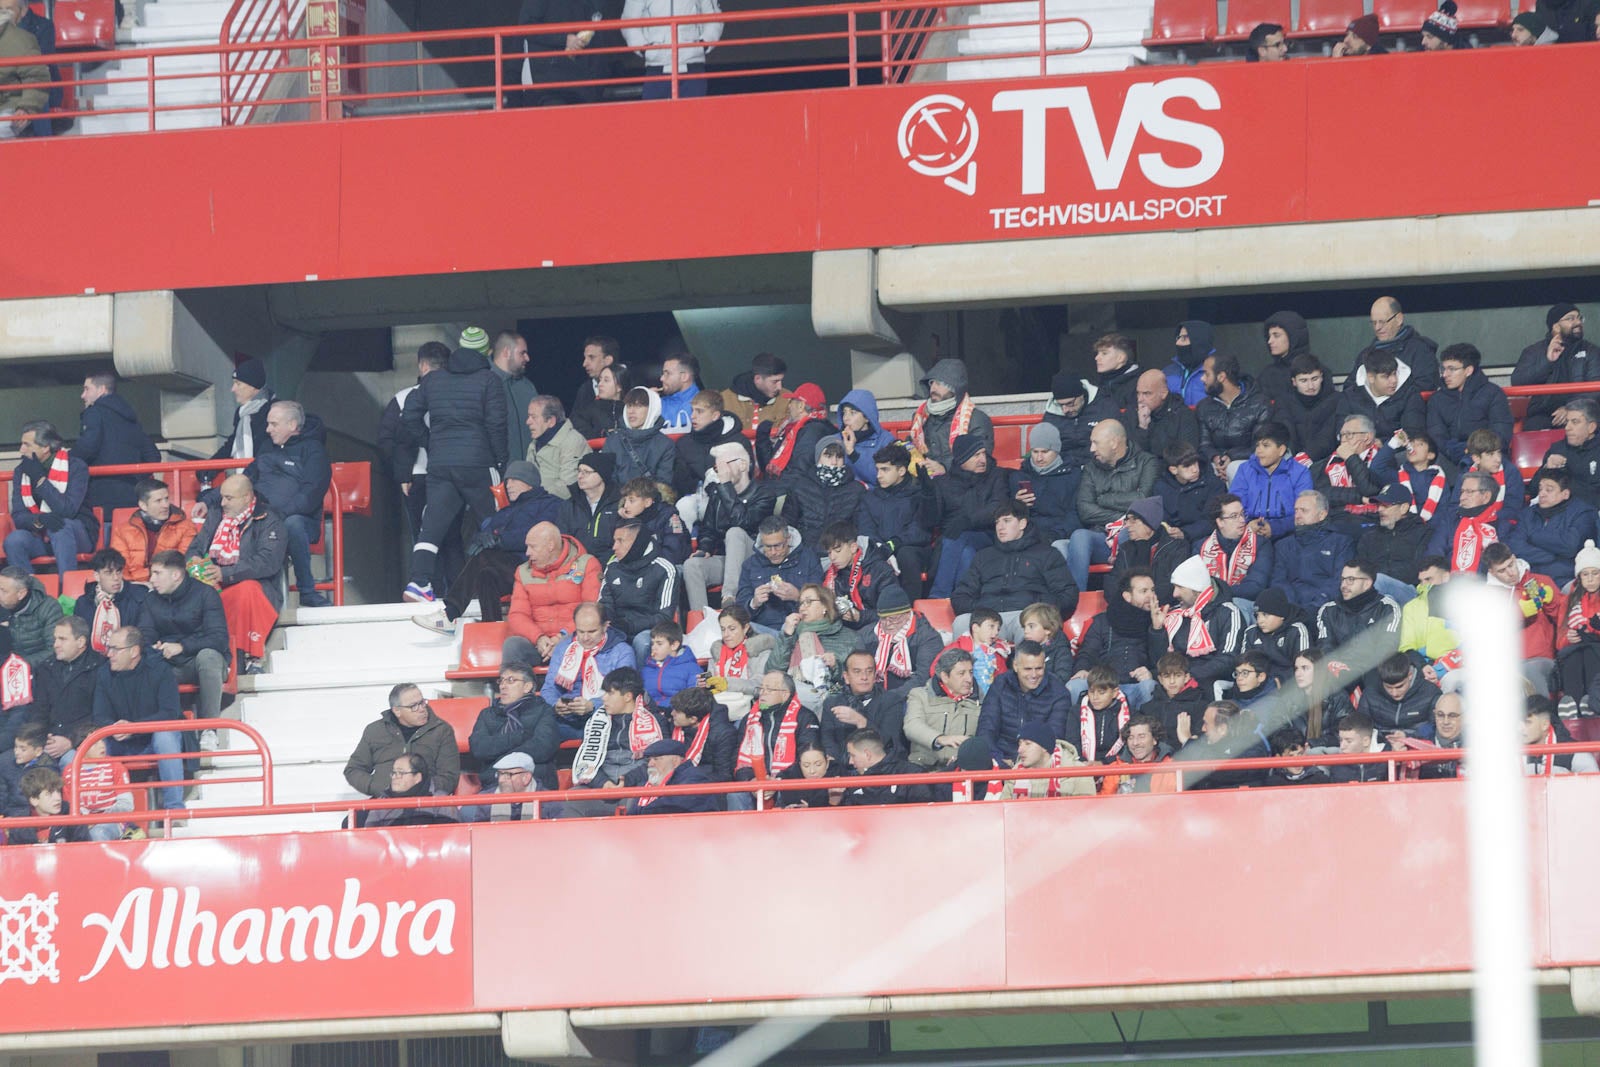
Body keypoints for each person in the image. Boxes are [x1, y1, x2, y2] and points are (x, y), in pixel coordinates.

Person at [399, 345, 508, 603]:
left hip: (441, 465)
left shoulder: (433, 380)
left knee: (433, 524)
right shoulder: (488, 380)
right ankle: (507, 583)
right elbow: (496, 423)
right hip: (479, 463)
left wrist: (430, 442)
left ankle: (419, 582)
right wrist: (501, 460)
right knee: (498, 521)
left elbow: (408, 415)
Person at [415, 463, 566, 635]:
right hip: (507, 569)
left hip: (535, 567)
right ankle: (491, 629)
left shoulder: (551, 504)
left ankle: (450, 614)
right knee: (486, 574)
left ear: (530, 482)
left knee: (485, 557)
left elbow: (537, 536)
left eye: (514, 480)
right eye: (507, 481)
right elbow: (486, 531)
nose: (508, 486)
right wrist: (482, 537)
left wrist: (499, 539)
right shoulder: (506, 511)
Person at [208, 400, 332, 608]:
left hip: (298, 521)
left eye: (273, 424)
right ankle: (217, 593)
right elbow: (244, 480)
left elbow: (310, 494)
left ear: (292, 425)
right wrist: (208, 499)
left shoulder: (313, 451)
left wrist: (279, 515)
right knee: (217, 518)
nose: (267, 429)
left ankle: (307, 591)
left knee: (291, 524)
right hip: (259, 518)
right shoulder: (266, 448)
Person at [186, 474, 288, 673]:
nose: (222, 503)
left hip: (257, 587)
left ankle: (251, 657)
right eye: (222, 497)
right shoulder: (216, 515)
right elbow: (194, 548)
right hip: (213, 583)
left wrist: (225, 573)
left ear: (247, 497)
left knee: (246, 591)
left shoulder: (270, 520)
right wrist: (194, 561)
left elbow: (267, 563)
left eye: (229, 498)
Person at [952, 502, 1078, 641]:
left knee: (1031, 625)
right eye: (997, 522)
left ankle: (1026, 662)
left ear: (1022, 523)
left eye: (1007, 521)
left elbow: (1067, 595)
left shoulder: (1047, 554)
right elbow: (961, 596)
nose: (1000, 527)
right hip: (989, 618)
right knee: (962, 622)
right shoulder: (983, 556)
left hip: (1025, 615)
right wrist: (981, 609)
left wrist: (1037, 607)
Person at [92, 626, 185, 814]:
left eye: (115, 649)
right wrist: (114, 729)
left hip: (152, 740)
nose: (110, 654)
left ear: (134, 651)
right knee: (94, 745)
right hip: (120, 741)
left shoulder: (160, 670)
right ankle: (100, 812)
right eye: (109, 648)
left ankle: (175, 810)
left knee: (165, 736)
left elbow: (170, 712)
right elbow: (99, 715)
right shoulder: (104, 674)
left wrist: (135, 728)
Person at [141, 551, 230, 738]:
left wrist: (181, 646)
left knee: (209, 656)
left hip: (199, 661)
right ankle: (158, 733)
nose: (152, 579)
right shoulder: (150, 600)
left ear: (176, 575)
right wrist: (152, 647)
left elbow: (219, 638)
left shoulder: (206, 594)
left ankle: (209, 730)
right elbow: (145, 633)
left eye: (157, 573)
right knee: (145, 662)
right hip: (169, 663)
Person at [684, 443, 777, 616]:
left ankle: (729, 599)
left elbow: (743, 521)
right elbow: (708, 529)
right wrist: (704, 548)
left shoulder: (764, 493)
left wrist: (725, 485)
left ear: (743, 465)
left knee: (734, 533)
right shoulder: (719, 494)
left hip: (755, 556)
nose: (719, 471)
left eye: (723, 465)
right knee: (692, 566)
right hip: (728, 561)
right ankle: (702, 622)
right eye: (716, 467)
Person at [1065, 420, 1158, 591]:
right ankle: (1077, 601)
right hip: (1102, 536)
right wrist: (1123, 517)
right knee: (1079, 536)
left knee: (1127, 533)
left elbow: (1143, 500)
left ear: (1114, 443)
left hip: (1133, 537)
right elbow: (1085, 510)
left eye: (1096, 443)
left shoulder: (1146, 462)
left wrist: (1104, 499)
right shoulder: (1091, 468)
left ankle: (1125, 595)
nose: (1091, 449)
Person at [495, 523, 603, 667]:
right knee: (513, 645)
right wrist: (539, 638)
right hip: (539, 644)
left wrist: (563, 637)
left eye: (533, 547)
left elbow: (592, 609)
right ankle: (520, 688)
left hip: (576, 641)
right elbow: (517, 615)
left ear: (550, 546)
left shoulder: (587, 564)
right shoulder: (523, 572)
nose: (527, 553)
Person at [378, 342, 448, 548]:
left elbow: (386, 440)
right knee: (451, 539)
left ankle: (425, 580)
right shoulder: (456, 397)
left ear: (422, 365)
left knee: (421, 539)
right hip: (450, 476)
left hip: (415, 477)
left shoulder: (403, 397)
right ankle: (453, 581)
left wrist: (402, 472)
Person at [6, 420, 97, 575]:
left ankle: (67, 593)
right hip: (40, 535)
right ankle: (29, 593)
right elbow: (19, 516)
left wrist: (40, 480)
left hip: (77, 535)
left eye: (27, 445)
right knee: (14, 540)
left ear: (45, 447)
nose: (21, 450)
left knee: (61, 527)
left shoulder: (75, 466)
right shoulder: (21, 471)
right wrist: (40, 520)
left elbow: (67, 510)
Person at [343, 683, 462, 801]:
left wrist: (420, 790)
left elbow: (449, 776)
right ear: (397, 711)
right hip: (384, 801)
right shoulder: (375, 731)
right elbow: (353, 770)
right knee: (350, 820)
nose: (421, 709)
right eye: (413, 706)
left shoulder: (441, 730)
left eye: (422, 702)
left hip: (425, 801)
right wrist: (382, 789)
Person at [928, 433, 1013, 598]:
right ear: (961, 459)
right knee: (966, 553)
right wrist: (927, 495)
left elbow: (998, 506)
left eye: (983, 454)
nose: (983, 459)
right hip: (951, 544)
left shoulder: (996, 476)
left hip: (988, 535)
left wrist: (967, 521)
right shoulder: (943, 483)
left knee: (957, 537)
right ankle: (964, 599)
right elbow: (931, 520)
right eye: (976, 455)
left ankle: (938, 596)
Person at [1150, 556, 1246, 695]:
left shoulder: (1228, 612)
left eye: (1180, 587)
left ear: (1196, 590)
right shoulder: (1175, 615)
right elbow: (1160, 661)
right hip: (1175, 682)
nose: (1174, 593)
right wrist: (1157, 630)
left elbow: (1229, 658)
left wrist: (1188, 676)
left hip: (1207, 684)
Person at [540, 602, 638, 737]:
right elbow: (549, 688)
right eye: (580, 631)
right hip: (565, 719)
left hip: (606, 719)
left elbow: (624, 693)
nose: (585, 638)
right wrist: (556, 705)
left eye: (592, 632)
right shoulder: (563, 647)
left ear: (605, 626)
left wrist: (592, 705)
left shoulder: (622, 651)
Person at [1071, 568, 1162, 705]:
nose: (1151, 596)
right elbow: (1087, 652)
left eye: (1152, 590)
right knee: (1075, 686)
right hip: (1103, 687)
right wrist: (1082, 669)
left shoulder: (1156, 621)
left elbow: (1163, 662)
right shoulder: (1102, 621)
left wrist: (1157, 629)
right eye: (1144, 591)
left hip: (1137, 687)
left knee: (1149, 686)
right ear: (1127, 596)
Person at [730, 671, 821, 809]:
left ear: (785, 694)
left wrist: (778, 781)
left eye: (769, 689)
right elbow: (736, 758)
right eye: (762, 688)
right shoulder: (749, 719)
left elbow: (808, 759)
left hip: (789, 785)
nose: (763, 693)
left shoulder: (805, 717)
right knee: (734, 796)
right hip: (755, 785)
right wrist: (751, 780)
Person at [858, 443, 937, 599]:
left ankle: (911, 609)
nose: (878, 475)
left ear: (901, 471)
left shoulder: (918, 493)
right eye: (877, 469)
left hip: (914, 550)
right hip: (880, 550)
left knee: (906, 555)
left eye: (885, 470)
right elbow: (866, 530)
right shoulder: (870, 498)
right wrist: (882, 548)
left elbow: (921, 531)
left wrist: (893, 544)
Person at [467, 663, 561, 790]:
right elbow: (479, 748)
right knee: (468, 810)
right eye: (501, 681)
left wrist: (502, 761)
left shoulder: (544, 710)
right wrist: (519, 736)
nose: (503, 686)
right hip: (495, 783)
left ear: (527, 686)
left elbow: (543, 747)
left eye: (511, 680)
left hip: (535, 782)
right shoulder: (487, 714)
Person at [1484, 543, 1562, 696]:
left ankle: (1545, 717)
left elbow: (1563, 620)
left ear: (1514, 558)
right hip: (1505, 663)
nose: (1511, 573)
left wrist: (1552, 601)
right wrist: (1518, 614)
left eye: (1511, 565)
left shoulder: (1541, 580)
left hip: (1542, 658)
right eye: (1502, 571)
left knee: (1530, 671)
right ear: (1491, 572)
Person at [975, 640, 1070, 765]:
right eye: (1028, 669)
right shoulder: (1000, 684)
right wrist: (998, 760)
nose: (1034, 674)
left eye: (1039, 668)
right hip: (1000, 760)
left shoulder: (1058, 692)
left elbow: (1053, 738)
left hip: (1038, 765)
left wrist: (1022, 764)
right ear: (1015, 666)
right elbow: (986, 728)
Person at [75, 372, 161, 509]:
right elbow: (154, 456)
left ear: (101, 389)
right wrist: (137, 477)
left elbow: (87, 447)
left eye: (87, 389)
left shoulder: (94, 413)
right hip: (132, 496)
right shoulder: (131, 419)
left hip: (101, 495)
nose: (82, 395)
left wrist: (65, 461)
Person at [599, 521, 680, 661]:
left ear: (637, 543)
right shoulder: (612, 567)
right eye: (614, 541)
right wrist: (608, 622)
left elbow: (664, 617)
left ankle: (642, 682)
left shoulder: (664, 569)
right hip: (617, 628)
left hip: (649, 631)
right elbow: (603, 605)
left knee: (643, 643)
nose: (614, 547)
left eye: (620, 541)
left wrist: (629, 626)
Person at [1513, 304, 1599, 431]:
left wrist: (1570, 408)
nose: (1578, 322)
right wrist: (1547, 361)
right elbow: (1518, 382)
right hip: (1543, 415)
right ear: (1555, 326)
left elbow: (1595, 387)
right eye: (1570, 318)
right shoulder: (1533, 351)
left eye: (1579, 318)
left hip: (1582, 412)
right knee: (1533, 429)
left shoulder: (1591, 351)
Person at [1508, 467, 1597, 588]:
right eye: (1540, 489)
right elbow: (1515, 546)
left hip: (1566, 580)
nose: (1542, 493)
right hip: (1530, 580)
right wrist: (1551, 556)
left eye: (1549, 490)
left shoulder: (1583, 513)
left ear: (1565, 494)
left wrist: (1534, 536)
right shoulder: (1528, 513)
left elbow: (1570, 546)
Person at [770, 583, 855, 711]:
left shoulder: (847, 636)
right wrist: (786, 636)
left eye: (808, 602)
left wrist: (835, 666)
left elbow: (857, 677)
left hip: (829, 698)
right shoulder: (792, 634)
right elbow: (773, 671)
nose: (803, 608)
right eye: (801, 603)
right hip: (792, 692)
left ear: (825, 606)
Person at [1427, 343, 1514, 465]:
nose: (1445, 374)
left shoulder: (1493, 394)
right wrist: (1455, 450)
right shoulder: (1437, 399)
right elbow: (1437, 435)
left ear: (1468, 370)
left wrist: (1474, 450)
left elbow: (1501, 434)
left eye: (1452, 369)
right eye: (1443, 368)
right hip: (1450, 457)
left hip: (1486, 457)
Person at [1317, 559, 1402, 681]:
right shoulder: (1328, 610)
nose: (1343, 585)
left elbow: (1387, 649)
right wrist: (1338, 667)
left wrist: (1355, 670)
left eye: (1351, 580)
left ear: (1367, 583)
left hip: (1374, 674)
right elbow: (1325, 647)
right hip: (1338, 674)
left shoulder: (1387, 608)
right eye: (1343, 579)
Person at [1313, 414, 1397, 536]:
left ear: (1367, 437)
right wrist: (1359, 497)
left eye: (1349, 434)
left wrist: (1351, 458)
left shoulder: (1383, 461)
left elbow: (1370, 490)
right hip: (1337, 521)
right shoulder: (1330, 462)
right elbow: (1322, 494)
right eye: (1341, 435)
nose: (1343, 440)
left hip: (1372, 521)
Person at [736, 516, 822, 635]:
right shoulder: (750, 565)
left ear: (788, 540)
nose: (773, 552)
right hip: (761, 630)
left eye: (777, 546)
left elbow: (823, 602)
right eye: (768, 547)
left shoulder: (808, 559)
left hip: (799, 628)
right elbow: (739, 611)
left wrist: (798, 596)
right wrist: (753, 603)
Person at [621, 0, 723, 100]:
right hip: (656, 67)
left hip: (692, 66)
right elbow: (629, 22)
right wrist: (643, 48)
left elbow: (714, 18)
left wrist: (704, 43)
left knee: (693, 115)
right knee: (654, 115)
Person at [822, 649, 911, 762]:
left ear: (875, 675)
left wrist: (861, 722)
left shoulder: (891, 701)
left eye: (869, 671)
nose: (864, 677)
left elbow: (888, 742)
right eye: (857, 671)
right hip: (843, 769)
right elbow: (828, 743)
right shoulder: (832, 703)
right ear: (846, 677)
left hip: (883, 768)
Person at [35, 618, 104, 761]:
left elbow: (99, 715)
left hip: (83, 742)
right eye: (55, 639)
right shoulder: (45, 668)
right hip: (48, 742)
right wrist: (41, 739)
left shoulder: (100, 668)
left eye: (62, 639)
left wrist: (71, 741)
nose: (55, 645)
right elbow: (38, 711)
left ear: (80, 642)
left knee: (69, 761)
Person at [1270, 491, 1354, 609]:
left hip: (1326, 608)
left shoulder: (1341, 543)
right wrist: (1291, 607)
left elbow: (1340, 580)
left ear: (1322, 515)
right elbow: (1278, 581)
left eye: (1304, 511)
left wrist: (1315, 605)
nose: (1297, 516)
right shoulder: (1283, 545)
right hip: (1289, 609)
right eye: (1296, 510)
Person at [910, 358, 994, 475]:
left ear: (955, 388)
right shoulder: (921, 417)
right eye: (931, 383)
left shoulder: (976, 419)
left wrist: (944, 467)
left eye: (939, 383)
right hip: (926, 481)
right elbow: (911, 447)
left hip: (963, 484)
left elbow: (982, 457)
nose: (933, 388)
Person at [1228, 422, 1310, 540]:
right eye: (1257, 445)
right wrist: (1247, 524)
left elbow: (1304, 513)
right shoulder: (1245, 470)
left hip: (1289, 534)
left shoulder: (1300, 473)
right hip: (1249, 532)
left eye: (1265, 446)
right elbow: (1234, 506)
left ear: (1281, 450)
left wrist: (1275, 528)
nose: (1258, 451)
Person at [783, 436, 865, 552]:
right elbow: (787, 524)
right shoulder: (800, 487)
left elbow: (860, 528)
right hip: (805, 553)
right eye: (828, 456)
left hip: (840, 553)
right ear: (818, 458)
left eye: (839, 457)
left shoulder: (856, 490)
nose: (834, 462)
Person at [903, 648, 981, 770]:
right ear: (945, 676)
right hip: (922, 767)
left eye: (971, 672)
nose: (969, 679)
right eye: (961, 673)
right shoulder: (920, 695)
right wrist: (940, 739)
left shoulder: (981, 700)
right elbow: (912, 726)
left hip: (962, 769)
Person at [1196, 355, 1270, 480]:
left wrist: (1231, 456)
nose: (1202, 379)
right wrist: (1215, 458)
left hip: (1249, 463)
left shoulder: (1259, 403)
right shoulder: (1204, 407)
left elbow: (1260, 445)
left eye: (1206, 374)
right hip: (1217, 464)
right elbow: (1204, 444)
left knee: (1235, 468)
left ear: (1221, 377)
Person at [854, 584, 940, 692]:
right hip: (873, 694)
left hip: (909, 697)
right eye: (883, 619)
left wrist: (892, 697)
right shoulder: (866, 635)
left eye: (893, 619)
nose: (888, 624)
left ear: (907, 614)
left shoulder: (927, 637)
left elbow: (923, 677)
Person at [109, 478, 195, 584]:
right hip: (132, 588)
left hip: (170, 587)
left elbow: (180, 565)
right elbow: (119, 568)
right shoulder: (123, 531)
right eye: (158, 501)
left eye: (167, 499)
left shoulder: (186, 527)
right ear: (143, 505)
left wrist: (147, 577)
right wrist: (134, 585)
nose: (166, 505)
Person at [1197, 493, 1274, 607]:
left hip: (1244, 604)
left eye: (1242, 514)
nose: (1242, 520)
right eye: (1234, 516)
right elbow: (1195, 585)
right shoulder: (1201, 547)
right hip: (1207, 605)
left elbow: (1255, 587)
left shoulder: (1261, 544)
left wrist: (1218, 593)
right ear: (1220, 522)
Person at [1357, 484, 1431, 602]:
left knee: (1378, 581)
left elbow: (1418, 570)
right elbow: (1360, 568)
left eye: (1386, 505)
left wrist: (1380, 575)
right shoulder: (1369, 536)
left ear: (1403, 508)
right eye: (1379, 505)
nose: (1380, 509)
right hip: (1374, 590)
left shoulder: (1422, 533)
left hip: (1409, 592)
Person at [1172, 700, 1268, 790]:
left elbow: (1223, 769)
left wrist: (1187, 743)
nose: (1203, 729)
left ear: (1222, 729)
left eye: (1206, 724)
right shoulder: (1206, 740)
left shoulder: (1252, 747)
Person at [1109, 496, 1187, 606]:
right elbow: (1112, 586)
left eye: (1133, 520)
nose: (1127, 525)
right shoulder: (1125, 549)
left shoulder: (1176, 547)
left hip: (1164, 609)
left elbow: (1173, 587)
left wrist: (1140, 599)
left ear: (1150, 521)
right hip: (1128, 611)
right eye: (1127, 520)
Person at [820, 520, 896, 631]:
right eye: (829, 552)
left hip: (878, 630)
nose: (832, 557)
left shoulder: (880, 570)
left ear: (853, 547)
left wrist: (860, 616)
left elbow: (893, 613)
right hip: (843, 632)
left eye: (837, 550)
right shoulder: (830, 575)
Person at [1335, 351, 1424, 445]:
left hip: (1396, 453)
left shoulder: (1410, 394)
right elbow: (1341, 431)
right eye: (1386, 377)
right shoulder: (1349, 397)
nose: (1394, 380)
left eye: (1394, 374)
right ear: (1371, 378)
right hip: (1357, 450)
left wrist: (1384, 443)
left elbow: (1413, 431)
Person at [1426, 471, 1508, 573]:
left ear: (1486, 496)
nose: (1462, 498)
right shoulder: (1450, 520)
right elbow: (1434, 554)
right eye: (1462, 492)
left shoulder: (1502, 527)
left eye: (1469, 492)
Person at [990, 721, 1096, 799]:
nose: (1020, 750)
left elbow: (1087, 814)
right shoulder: (1014, 774)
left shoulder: (1079, 773)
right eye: (1019, 744)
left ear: (1045, 747)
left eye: (1028, 744)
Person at [1353, 296, 1438, 391]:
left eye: (1382, 322)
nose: (1377, 327)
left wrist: (1390, 399)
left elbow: (1426, 386)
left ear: (1399, 319)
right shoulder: (1365, 355)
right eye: (1374, 323)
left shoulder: (1420, 350)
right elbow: (1350, 388)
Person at [674, 389, 749, 497]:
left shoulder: (739, 442)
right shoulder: (683, 444)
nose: (692, 416)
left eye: (699, 411)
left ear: (715, 415)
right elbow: (681, 483)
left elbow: (746, 479)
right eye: (692, 410)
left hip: (734, 501)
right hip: (696, 501)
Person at [73, 548, 149, 654]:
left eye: (118, 571)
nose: (116, 577)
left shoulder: (138, 597)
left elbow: (145, 635)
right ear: (97, 576)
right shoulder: (83, 603)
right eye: (108, 573)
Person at [757, 383, 837, 482]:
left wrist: (773, 491)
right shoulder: (792, 429)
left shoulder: (813, 431)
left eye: (791, 401)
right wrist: (762, 438)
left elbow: (799, 473)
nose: (789, 406)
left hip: (788, 493)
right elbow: (769, 465)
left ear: (800, 406)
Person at [1356, 652, 1441, 746]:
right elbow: (1361, 725)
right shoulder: (1370, 693)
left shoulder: (1430, 693)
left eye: (1399, 687)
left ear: (1410, 675)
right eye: (1388, 687)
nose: (1394, 693)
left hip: (1417, 746)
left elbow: (1435, 726)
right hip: (1379, 747)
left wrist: (1409, 736)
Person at [208, 359, 277, 474]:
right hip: (247, 477)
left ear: (253, 386)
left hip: (265, 477)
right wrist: (206, 470)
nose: (233, 389)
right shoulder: (241, 413)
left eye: (238, 383)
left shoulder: (275, 410)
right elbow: (231, 444)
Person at [603, 387, 679, 490]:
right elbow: (607, 480)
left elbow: (663, 482)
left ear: (652, 409)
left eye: (638, 406)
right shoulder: (612, 441)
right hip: (617, 502)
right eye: (629, 406)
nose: (631, 411)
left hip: (650, 501)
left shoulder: (665, 445)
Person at [1156, 442, 1227, 549]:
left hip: (1203, 537)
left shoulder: (1214, 484)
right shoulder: (1161, 487)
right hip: (1171, 538)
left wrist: (1185, 533)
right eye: (1187, 466)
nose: (1194, 469)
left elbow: (1212, 520)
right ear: (1173, 469)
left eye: (1195, 463)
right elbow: (1161, 519)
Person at [362, 752, 460, 829]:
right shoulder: (381, 803)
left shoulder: (441, 801)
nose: (395, 777)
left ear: (417, 777)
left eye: (401, 772)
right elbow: (373, 840)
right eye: (394, 773)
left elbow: (449, 838)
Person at [839, 728, 934, 806]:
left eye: (853, 755)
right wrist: (834, 801)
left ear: (867, 754)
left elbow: (923, 815)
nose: (850, 761)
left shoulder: (913, 774)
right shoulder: (853, 781)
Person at [1557, 540, 1600, 712]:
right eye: (1585, 574)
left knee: (1589, 652)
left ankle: (1592, 702)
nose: (1590, 579)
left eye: (1595, 573)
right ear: (1579, 577)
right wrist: (1568, 638)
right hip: (1576, 651)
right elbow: (1559, 642)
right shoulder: (1569, 600)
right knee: (1574, 654)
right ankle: (1572, 706)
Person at [628, 738, 721, 815]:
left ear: (675, 761)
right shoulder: (648, 783)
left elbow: (674, 806)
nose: (650, 764)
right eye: (649, 760)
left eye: (656, 759)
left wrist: (641, 812)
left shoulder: (694, 777)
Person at [666, 685, 738, 784]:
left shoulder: (723, 734)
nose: (672, 714)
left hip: (705, 789)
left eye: (677, 712)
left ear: (693, 719)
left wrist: (693, 777)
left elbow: (724, 775)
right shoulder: (676, 725)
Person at [1241, 587, 1311, 686]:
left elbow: (1303, 667)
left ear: (1281, 615)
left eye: (1265, 615)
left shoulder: (1296, 631)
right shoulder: (1251, 632)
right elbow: (1244, 666)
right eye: (1257, 615)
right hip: (1258, 686)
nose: (1260, 620)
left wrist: (1278, 681)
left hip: (1288, 687)